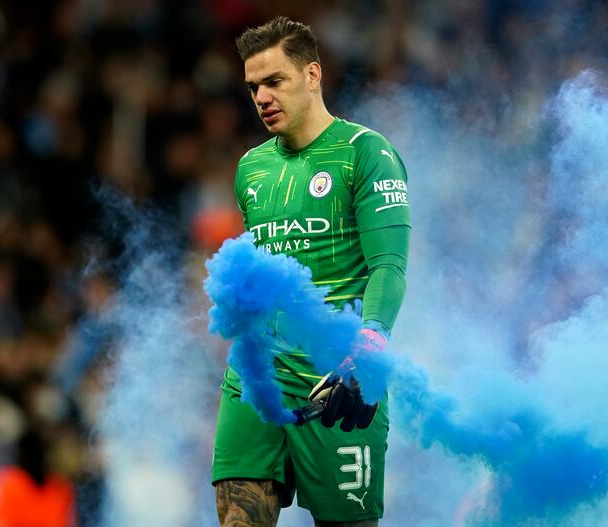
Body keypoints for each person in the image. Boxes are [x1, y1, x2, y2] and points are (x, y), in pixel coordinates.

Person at [212, 16, 410, 527]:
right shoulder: (251, 169)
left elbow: (388, 266)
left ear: (313, 74)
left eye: (274, 81)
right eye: (253, 86)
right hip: (257, 379)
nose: (261, 97)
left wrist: (369, 345)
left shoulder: (366, 153)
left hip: (340, 380)